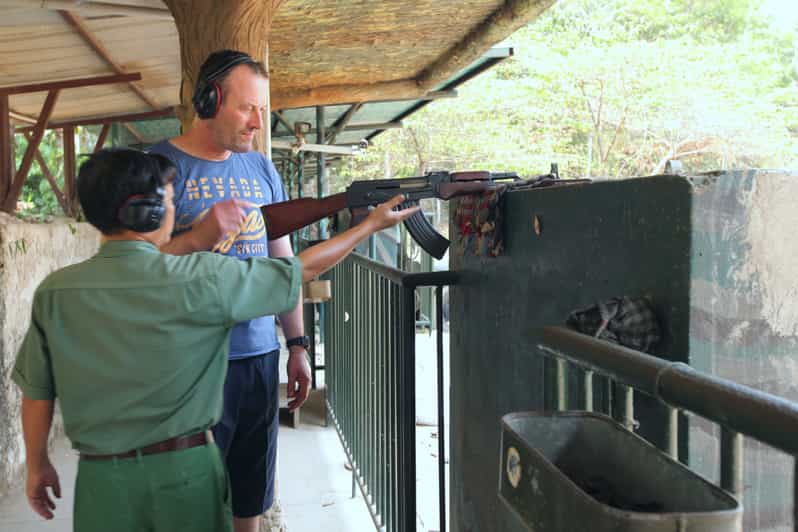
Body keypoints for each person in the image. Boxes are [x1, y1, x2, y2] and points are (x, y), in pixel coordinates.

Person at [12, 148, 418, 532]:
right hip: (183, 474)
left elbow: (37, 391)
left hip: (100, 481)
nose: (173, 210)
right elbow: (300, 270)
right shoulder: (200, 277)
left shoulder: (55, 292)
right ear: (148, 211)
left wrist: (37, 463)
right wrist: (369, 226)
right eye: (169, 201)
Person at [148, 49, 310, 531]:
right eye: (247, 108)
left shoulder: (261, 169)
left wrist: (297, 345)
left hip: (260, 359)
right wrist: (197, 237)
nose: (257, 123)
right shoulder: (157, 167)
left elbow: (282, 262)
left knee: (250, 502)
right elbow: (137, 272)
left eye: (263, 110)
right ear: (209, 99)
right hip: (190, 366)